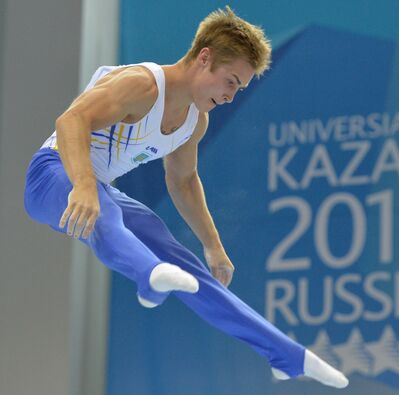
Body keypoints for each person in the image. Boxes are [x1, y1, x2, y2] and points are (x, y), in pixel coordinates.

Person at [24, 6, 348, 389]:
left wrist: (213, 246)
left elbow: (184, 181)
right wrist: (81, 184)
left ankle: (285, 355)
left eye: (238, 89)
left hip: (96, 187)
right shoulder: (141, 84)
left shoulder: (196, 120)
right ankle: (148, 276)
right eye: (230, 82)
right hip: (51, 176)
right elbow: (71, 121)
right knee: (107, 214)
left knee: (174, 253)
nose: (230, 96)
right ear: (204, 58)